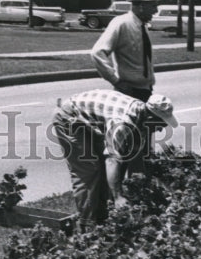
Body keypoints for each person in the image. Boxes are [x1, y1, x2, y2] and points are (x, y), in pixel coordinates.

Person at [53, 89, 178, 225]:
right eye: (161, 125)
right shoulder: (123, 123)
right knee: (88, 171)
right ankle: (86, 226)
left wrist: (144, 187)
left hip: (91, 119)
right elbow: (112, 161)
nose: (160, 130)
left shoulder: (142, 117)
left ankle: (102, 217)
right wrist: (118, 197)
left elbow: (132, 158)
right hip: (70, 117)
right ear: (150, 118)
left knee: (103, 170)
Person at [91, 0, 161, 102]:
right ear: (141, 6)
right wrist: (116, 81)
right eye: (153, 6)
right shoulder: (121, 23)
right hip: (128, 93)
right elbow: (97, 53)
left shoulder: (142, 25)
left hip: (145, 91)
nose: (155, 11)